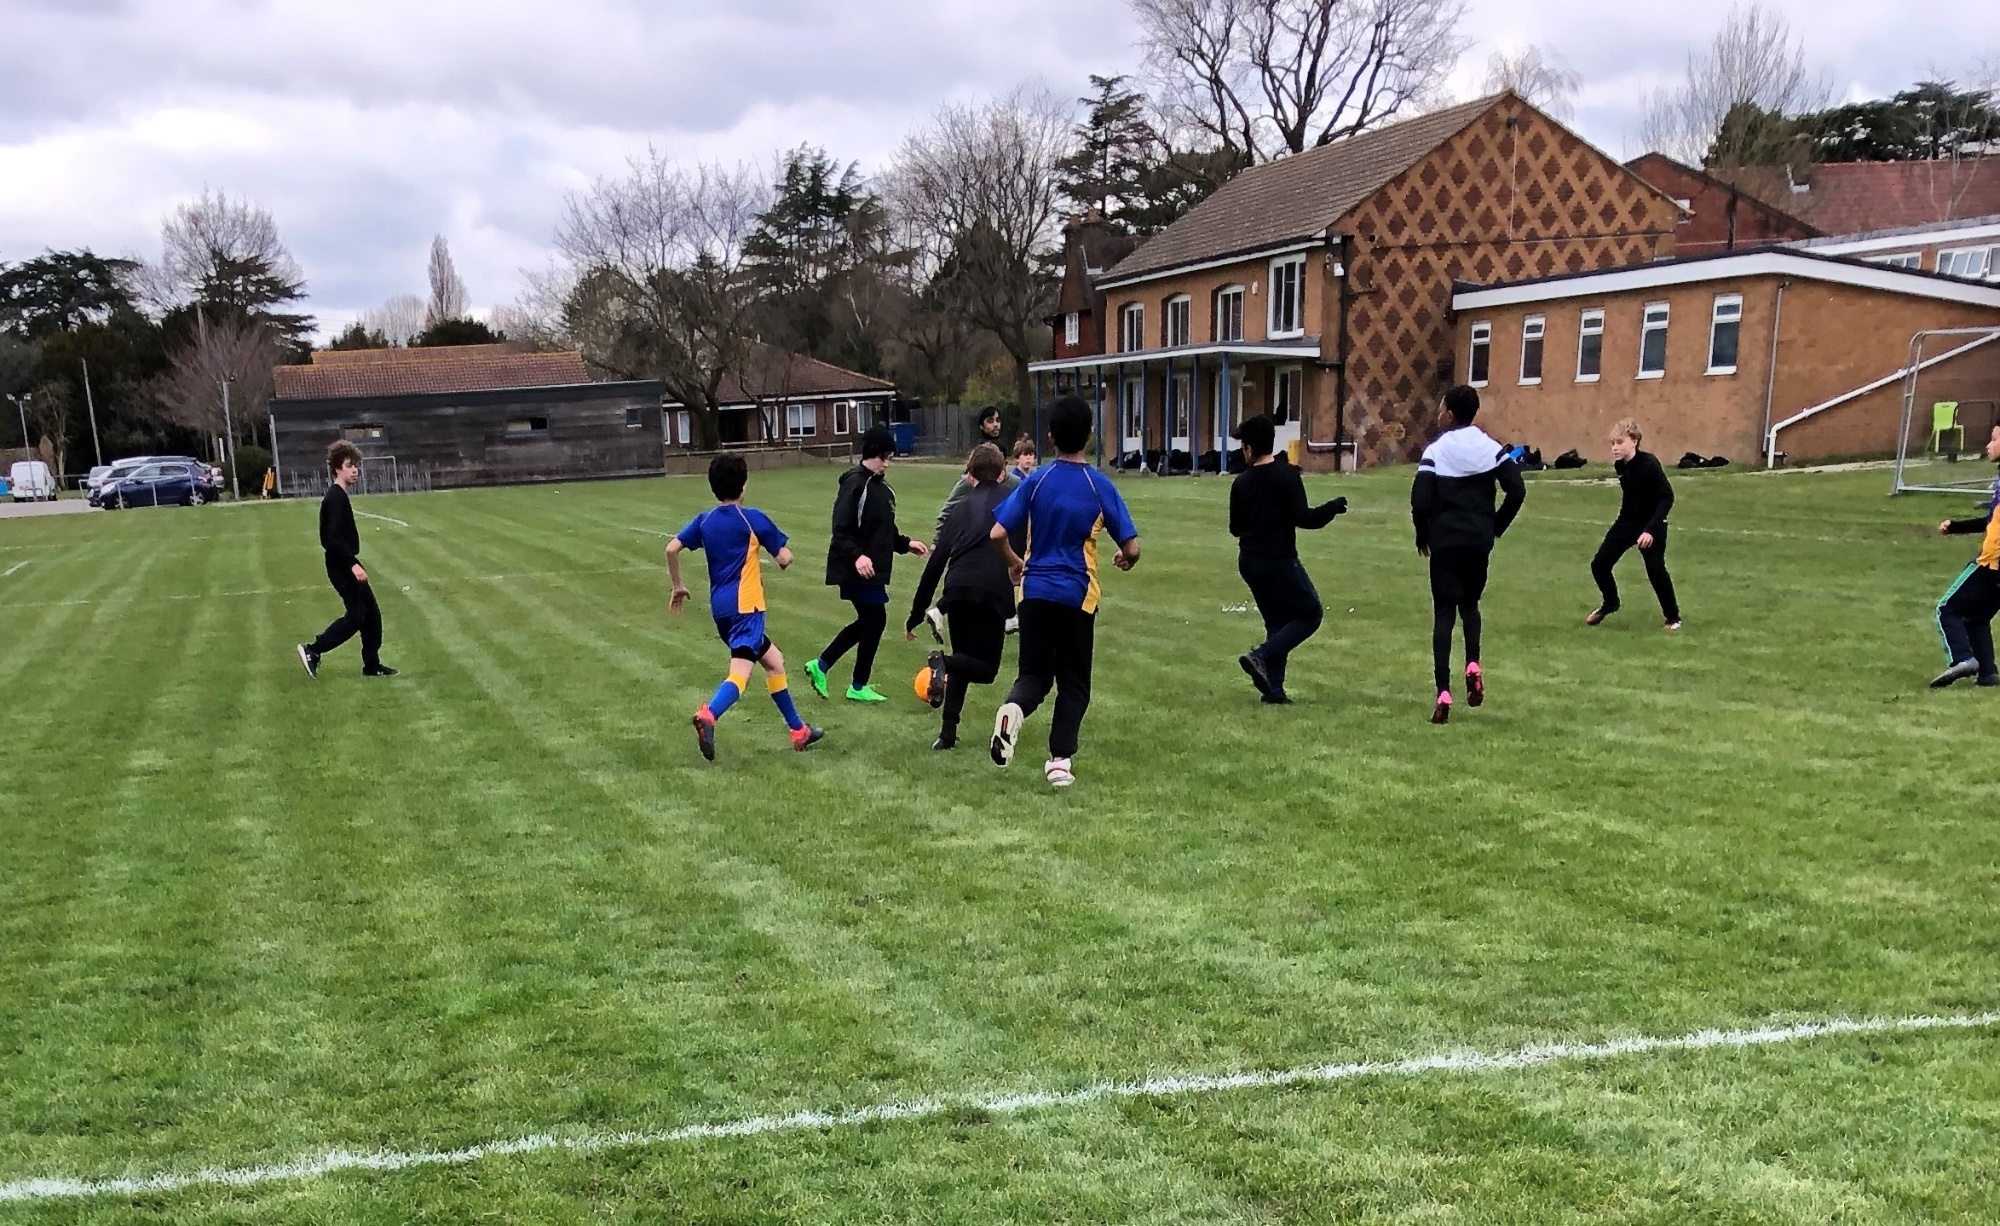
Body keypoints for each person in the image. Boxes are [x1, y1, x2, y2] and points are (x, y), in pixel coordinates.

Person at [987, 395, 1141, 787]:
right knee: (1074, 682)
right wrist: (1126, 559)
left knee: (1035, 675)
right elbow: (1132, 547)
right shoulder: (1098, 484)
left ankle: (1013, 709)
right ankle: (1059, 761)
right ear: (1090, 435)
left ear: (1051, 437)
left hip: (1035, 592)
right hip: (1076, 594)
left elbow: (998, 533)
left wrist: (1014, 563)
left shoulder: (1035, 481)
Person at [666, 453, 824, 759]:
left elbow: (671, 549)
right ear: (744, 485)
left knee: (774, 661)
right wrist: (787, 557)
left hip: (721, 611)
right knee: (740, 673)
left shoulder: (705, 521)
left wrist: (678, 586)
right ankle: (708, 715)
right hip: (747, 608)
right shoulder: (751, 519)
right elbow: (783, 557)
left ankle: (799, 731)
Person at [1410, 385, 1525, 725]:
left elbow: (1420, 501)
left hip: (1445, 541)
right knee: (1470, 606)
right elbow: (1517, 490)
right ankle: (1472, 663)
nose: (1438, 413)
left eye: (1441, 408)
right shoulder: (1490, 448)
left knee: (1444, 613)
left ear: (1450, 413)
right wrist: (1495, 526)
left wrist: (1423, 534)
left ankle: (1443, 691)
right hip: (1478, 540)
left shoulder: (1438, 450)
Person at [905, 443, 1020, 749]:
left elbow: (936, 561)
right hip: (992, 590)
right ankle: (940, 661)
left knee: (964, 660)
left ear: (969, 476)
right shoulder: (1013, 502)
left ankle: (947, 735)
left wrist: (916, 612)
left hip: (956, 590)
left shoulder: (959, 509)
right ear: (1004, 472)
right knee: (985, 669)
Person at [1229, 414, 1347, 704]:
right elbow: (1305, 519)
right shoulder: (1287, 476)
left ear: (1248, 449)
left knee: (1277, 621)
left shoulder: (1241, 483)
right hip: (1279, 559)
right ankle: (1261, 656)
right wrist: (1332, 508)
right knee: (1310, 613)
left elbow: (1235, 528)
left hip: (1250, 561)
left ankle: (1275, 690)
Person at [807, 425, 928, 703]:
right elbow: (841, 529)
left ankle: (837, 673)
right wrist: (857, 556)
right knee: (875, 619)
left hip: (872, 568)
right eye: (884, 457)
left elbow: (884, 529)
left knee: (871, 620)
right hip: (855, 568)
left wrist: (905, 544)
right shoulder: (854, 484)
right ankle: (844, 677)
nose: (888, 463)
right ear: (873, 453)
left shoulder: (882, 489)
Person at [297, 441, 395, 679]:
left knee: (371, 615)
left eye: (356, 466)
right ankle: (313, 650)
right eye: (350, 466)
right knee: (356, 617)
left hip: (346, 562)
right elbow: (330, 539)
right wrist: (352, 564)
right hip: (341, 565)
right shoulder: (335, 498)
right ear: (337, 469)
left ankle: (371, 665)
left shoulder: (339, 496)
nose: (355, 471)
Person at [1586, 419, 1681, 631]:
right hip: (1627, 522)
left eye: (1620, 442)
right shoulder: (1620, 466)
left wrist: (1650, 530)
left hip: (1652, 523)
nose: (1615, 448)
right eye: (1612, 443)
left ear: (1634, 441)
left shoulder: (1649, 464)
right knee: (1599, 564)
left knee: (1655, 569)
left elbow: (1666, 497)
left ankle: (1673, 618)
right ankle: (1611, 603)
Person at [1930, 424, 2000, 688]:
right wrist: (1956, 527)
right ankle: (1988, 673)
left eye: (1994, 439)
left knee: (1946, 609)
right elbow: (1991, 521)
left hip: (1991, 563)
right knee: (1977, 617)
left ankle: (1962, 659)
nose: (1988, 445)